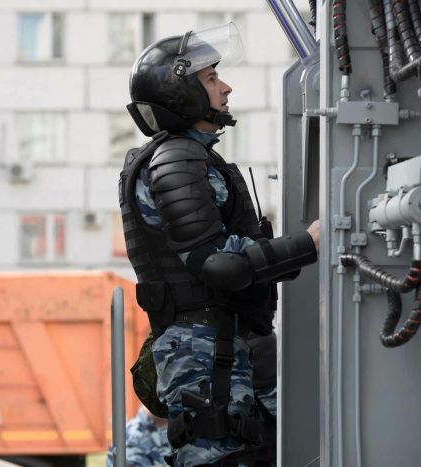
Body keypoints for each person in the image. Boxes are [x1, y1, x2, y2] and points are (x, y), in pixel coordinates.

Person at [119, 23, 320, 466]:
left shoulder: (193, 157)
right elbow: (219, 265)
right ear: (181, 93)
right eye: (211, 79)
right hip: (204, 349)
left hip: (221, 344)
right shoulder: (176, 160)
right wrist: (310, 243)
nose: (225, 87)